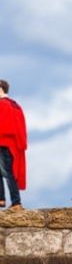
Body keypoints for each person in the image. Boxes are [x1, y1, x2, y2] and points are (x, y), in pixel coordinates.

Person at [0, 80, 27, 210]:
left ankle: (16, 202)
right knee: (6, 173)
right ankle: (2, 199)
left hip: (3, 144)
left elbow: (4, 128)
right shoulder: (15, 105)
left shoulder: (3, 105)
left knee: (9, 174)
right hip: (11, 145)